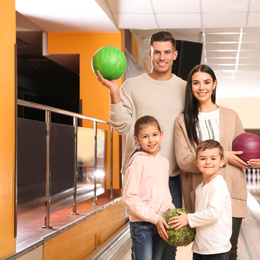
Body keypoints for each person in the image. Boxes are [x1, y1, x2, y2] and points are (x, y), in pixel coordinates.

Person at [97, 31, 186, 259]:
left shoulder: (185, 89)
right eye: (157, 52)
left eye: (167, 52)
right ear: (150, 54)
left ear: (175, 54)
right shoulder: (132, 86)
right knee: (143, 244)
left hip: (172, 179)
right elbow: (120, 125)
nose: (162, 57)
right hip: (141, 178)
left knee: (168, 249)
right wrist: (114, 92)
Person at [174, 64, 260, 260]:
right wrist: (223, 157)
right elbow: (184, 161)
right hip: (201, 196)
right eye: (196, 83)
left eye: (206, 82)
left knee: (231, 250)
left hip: (231, 192)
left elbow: (246, 151)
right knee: (205, 250)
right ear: (190, 87)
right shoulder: (182, 121)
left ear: (214, 84)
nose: (201, 87)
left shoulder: (231, 115)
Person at [169, 140, 232, 260]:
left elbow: (213, 213)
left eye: (213, 158)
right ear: (197, 163)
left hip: (217, 249)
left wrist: (187, 218)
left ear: (222, 162)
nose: (208, 162)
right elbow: (200, 217)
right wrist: (192, 235)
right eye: (203, 159)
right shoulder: (199, 188)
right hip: (200, 247)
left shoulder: (219, 185)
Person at [123, 116, 174, 260]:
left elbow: (164, 193)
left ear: (161, 135)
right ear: (137, 139)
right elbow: (130, 198)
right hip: (142, 224)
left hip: (161, 221)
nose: (151, 140)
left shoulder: (164, 162)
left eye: (155, 135)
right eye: (145, 136)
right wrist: (154, 218)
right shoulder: (138, 162)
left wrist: (172, 212)